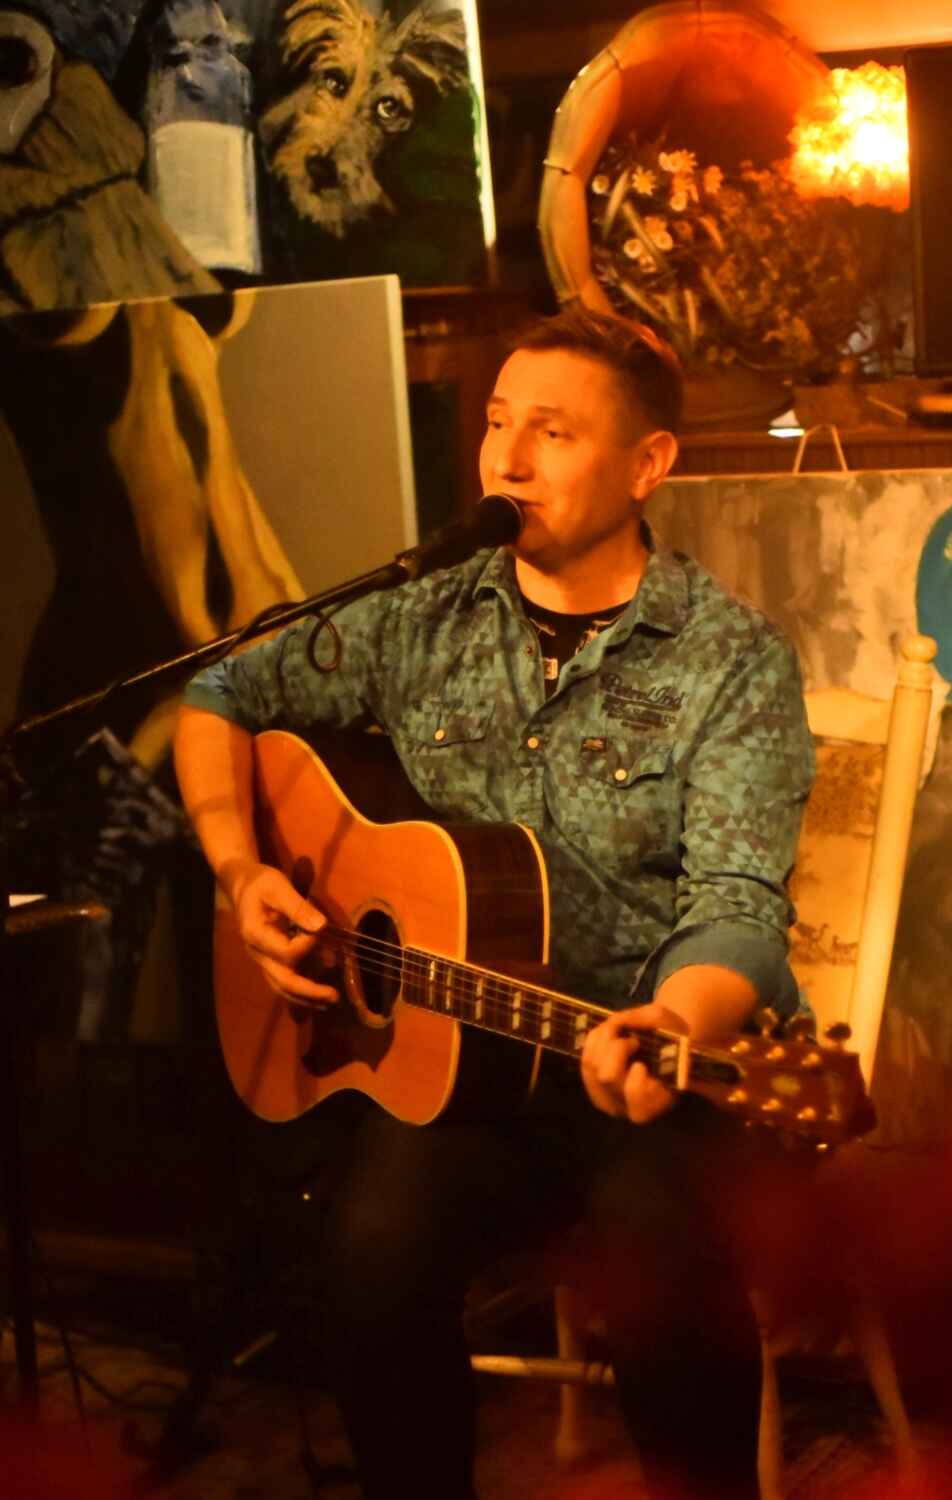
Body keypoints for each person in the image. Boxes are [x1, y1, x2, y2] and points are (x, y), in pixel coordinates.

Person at [173, 306, 815, 1500]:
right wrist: (241, 870)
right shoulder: (424, 616)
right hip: (461, 1065)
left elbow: (736, 902)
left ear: (648, 465)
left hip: (642, 1064)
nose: (507, 462)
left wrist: (673, 1025)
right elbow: (219, 690)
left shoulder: (729, 662)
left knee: (664, 1268)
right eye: (497, 426)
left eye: (552, 433)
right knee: (366, 1261)